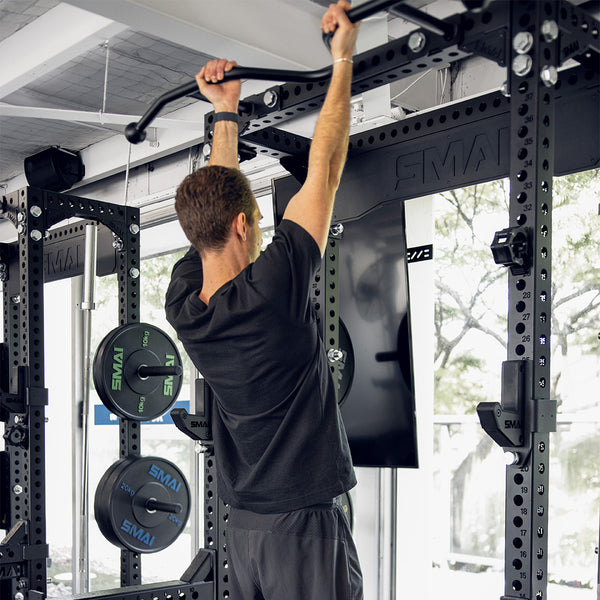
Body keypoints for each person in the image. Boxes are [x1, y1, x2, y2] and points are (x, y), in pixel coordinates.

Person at [165, 2, 363, 598]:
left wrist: (226, 111)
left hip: (245, 527)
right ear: (246, 228)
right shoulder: (270, 293)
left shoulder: (185, 303)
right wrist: (343, 58)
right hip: (303, 524)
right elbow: (323, 169)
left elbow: (221, 200)